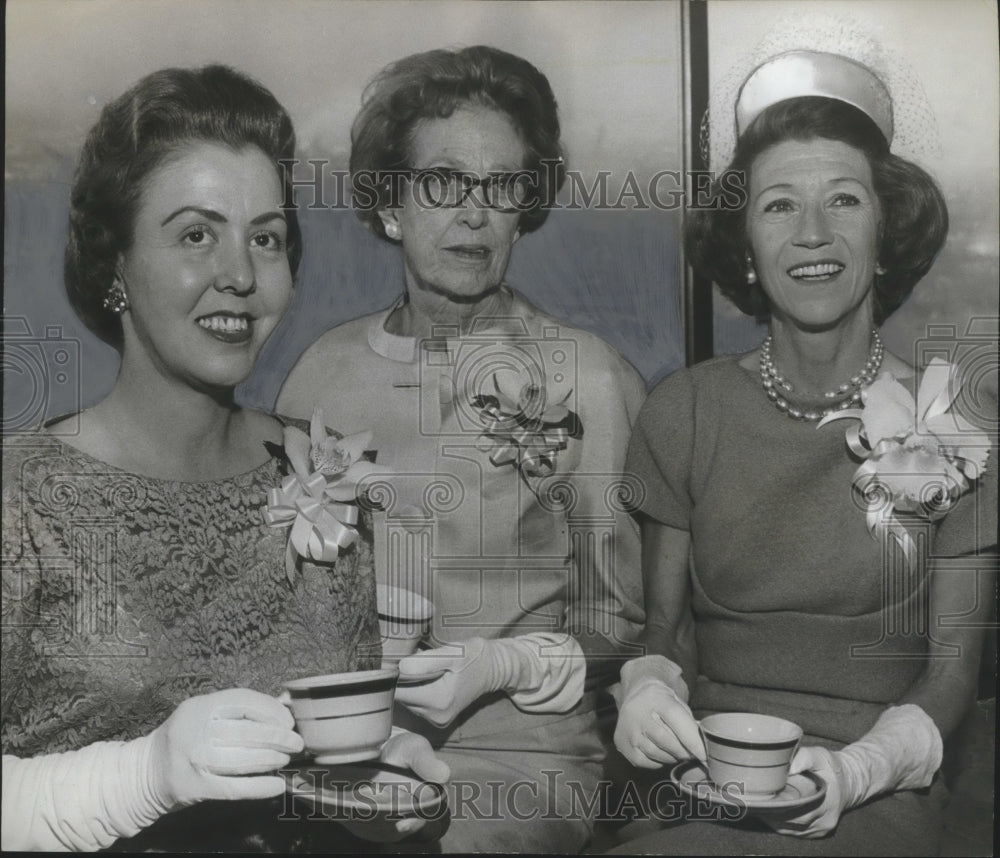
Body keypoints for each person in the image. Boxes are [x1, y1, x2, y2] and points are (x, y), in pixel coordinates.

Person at [1, 64, 447, 852]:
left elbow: (325, 736)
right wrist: (143, 776)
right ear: (115, 265)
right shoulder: (20, 498)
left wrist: (369, 771)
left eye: (266, 239)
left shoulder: (324, 471)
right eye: (196, 234)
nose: (240, 276)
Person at [609, 36, 997, 857]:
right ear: (745, 245)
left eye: (845, 201)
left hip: (878, 786)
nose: (813, 234)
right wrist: (645, 686)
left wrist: (859, 771)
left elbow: (953, 673)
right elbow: (663, 634)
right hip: (705, 778)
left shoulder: (958, 414)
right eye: (780, 205)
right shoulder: (684, 410)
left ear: (886, 229)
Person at [278, 45, 646, 852]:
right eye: (443, 182)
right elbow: (289, 600)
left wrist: (506, 665)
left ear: (525, 207)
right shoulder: (320, 375)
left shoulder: (585, 376)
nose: (474, 214)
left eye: (502, 186)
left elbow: (621, 622)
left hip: (523, 753)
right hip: (351, 749)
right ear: (388, 206)